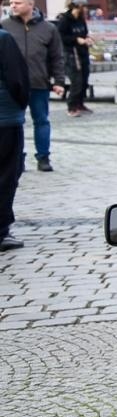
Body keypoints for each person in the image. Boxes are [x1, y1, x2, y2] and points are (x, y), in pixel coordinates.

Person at [1, 0, 66, 172]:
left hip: (38, 82)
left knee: (41, 121)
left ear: (31, 5)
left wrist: (59, 81)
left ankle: (43, 157)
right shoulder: (4, 26)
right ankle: (17, 158)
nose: (13, 6)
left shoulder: (48, 28)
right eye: (12, 3)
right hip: (12, 85)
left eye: (18, 3)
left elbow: (57, 57)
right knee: (15, 123)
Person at [0, 24, 27, 250]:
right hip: (5, 119)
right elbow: (17, 80)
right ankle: (1, 230)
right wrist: (19, 104)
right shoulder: (4, 39)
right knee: (7, 174)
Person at [55, 0, 93, 117]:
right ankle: (71, 106)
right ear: (78, 7)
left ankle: (80, 103)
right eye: (85, 7)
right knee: (76, 81)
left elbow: (84, 33)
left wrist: (87, 39)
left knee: (84, 80)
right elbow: (60, 37)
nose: (86, 10)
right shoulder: (65, 20)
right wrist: (76, 39)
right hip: (71, 53)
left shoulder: (81, 19)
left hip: (83, 52)